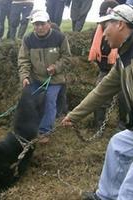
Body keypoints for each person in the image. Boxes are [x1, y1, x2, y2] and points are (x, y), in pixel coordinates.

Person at [61, 4, 133, 200]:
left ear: (120, 24)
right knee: (119, 144)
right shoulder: (124, 56)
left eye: (105, 26)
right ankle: (105, 196)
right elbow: (102, 90)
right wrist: (74, 115)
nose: (102, 34)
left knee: (129, 191)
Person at [19, 10, 71, 143]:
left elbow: (66, 57)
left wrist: (56, 67)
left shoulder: (60, 37)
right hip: (36, 78)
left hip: (55, 79)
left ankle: (44, 132)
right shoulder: (28, 39)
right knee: (31, 102)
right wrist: (25, 77)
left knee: (49, 100)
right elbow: (23, 60)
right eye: (36, 24)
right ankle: (30, 127)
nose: (39, 27)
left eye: (42, 24)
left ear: (49, 23)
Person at [88, 0, 120, 128]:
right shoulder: (96, 33)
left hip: (123, 69)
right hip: (105, 69)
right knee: (99, 95)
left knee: (126, 98)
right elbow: (95, 52)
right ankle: (98, 126)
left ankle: (124, 126)